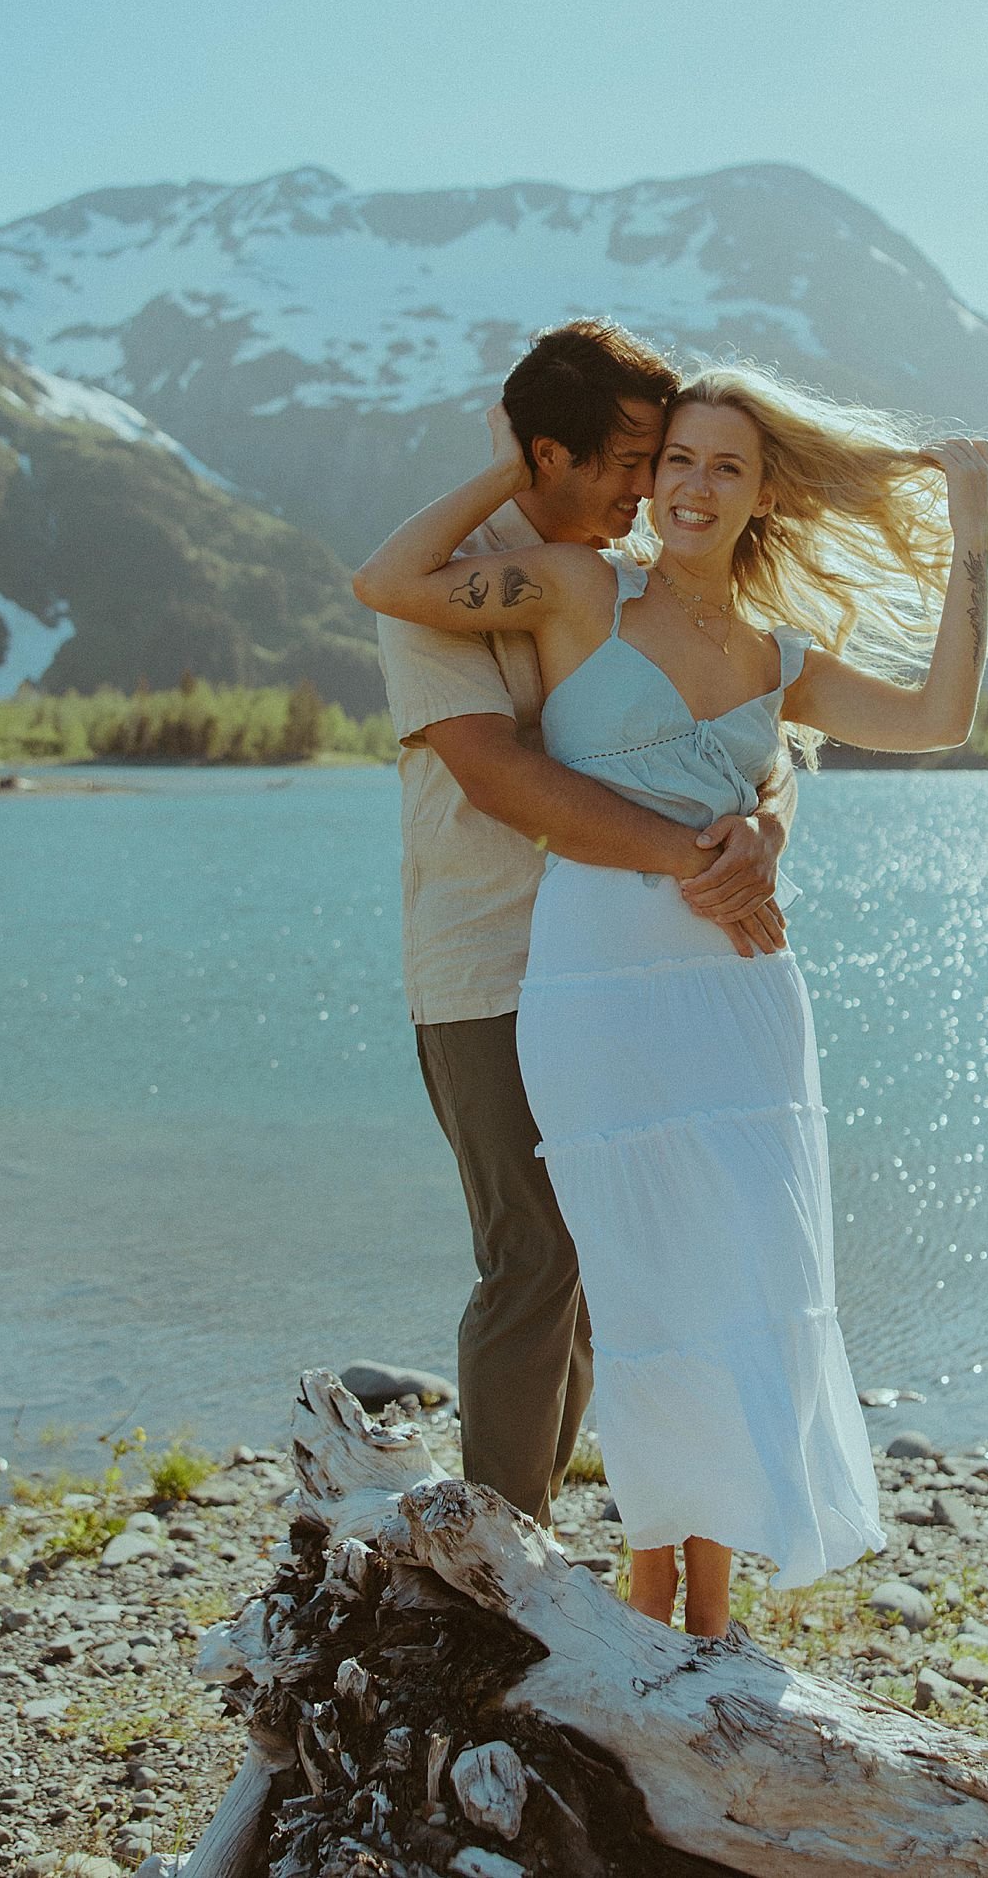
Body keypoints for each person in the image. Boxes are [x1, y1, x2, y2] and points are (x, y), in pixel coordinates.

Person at [356, 355, 988, 1635]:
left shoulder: (780, 655)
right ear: (643, 479)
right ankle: (562, 1596)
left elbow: (939, 719)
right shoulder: (579, 588)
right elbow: (386, 585)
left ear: (766, 496)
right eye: (672, 462)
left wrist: (970, 528)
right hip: (594, 975)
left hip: (741, 987)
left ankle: (696, 1613)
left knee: (733, 1276)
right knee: (624, 1279)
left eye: (724, 466)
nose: (691, 487)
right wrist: (514, 451)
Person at [357, 322, 796, 1537]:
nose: (651, 489)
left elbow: (738, 727)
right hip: (488, 965)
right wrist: (688, 859)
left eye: (665, 462)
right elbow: (495, 772)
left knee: (606, 1253)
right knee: (533, 1257)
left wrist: (760, 828)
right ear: (549, 454)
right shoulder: (459, 579)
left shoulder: (632, 582)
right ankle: (499, 1564)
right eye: (631, 460)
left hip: (622, 964)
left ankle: (539, 1555)